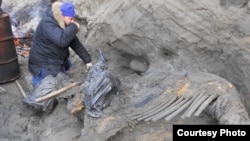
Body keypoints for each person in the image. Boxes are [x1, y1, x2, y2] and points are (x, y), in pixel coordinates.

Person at [28, 1, 92, 86]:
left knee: (61, 80)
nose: (72, 21)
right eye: (70, 19)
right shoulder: (47, 24)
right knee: (46, 89)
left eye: (73, 19)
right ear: (62, 16)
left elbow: (75, 44)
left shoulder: (65, 24)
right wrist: (74, 27)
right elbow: (61, 41)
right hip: (43, 63)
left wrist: (87, 60)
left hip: (55, 59)